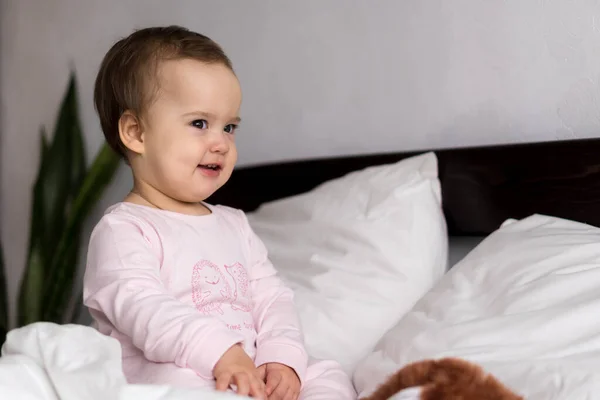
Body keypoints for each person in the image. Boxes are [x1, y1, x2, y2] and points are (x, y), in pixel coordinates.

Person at [82, 25, 357, 400]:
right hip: (181, 366)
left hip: (250, 364)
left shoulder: (234, 224)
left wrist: (281, 360)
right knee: (175, 385)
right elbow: (143, 308)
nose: (221, 143)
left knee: (327, 374)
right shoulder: (124, 229)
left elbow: (272, 299)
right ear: (136, 132)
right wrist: (219, 353)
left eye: (229, 127)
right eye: (200, 124)